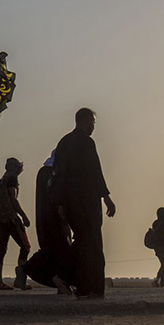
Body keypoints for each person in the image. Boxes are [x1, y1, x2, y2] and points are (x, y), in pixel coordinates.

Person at [50, 108, 117, 299]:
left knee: (82, 240)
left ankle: (73, 281)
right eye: (93, 121)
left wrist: (60, 203)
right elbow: (95, 171)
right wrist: (106, 197)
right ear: (86, 120)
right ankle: (90, 288)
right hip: (86, 199)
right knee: (93, 242)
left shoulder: (63, 143)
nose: (93, 126)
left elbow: (56, 174)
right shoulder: (86, 142)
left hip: (68, 202)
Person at [24, 150, 76, 294]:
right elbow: (59, 198)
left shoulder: (43, 172)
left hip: (43, 218)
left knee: (52, 250)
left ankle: (61, 283)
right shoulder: (56, 173)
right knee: (63, 250)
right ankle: (61, 279)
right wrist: (65, 219)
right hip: (56, 218)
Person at [0, 157, 32, 290]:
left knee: (1, 248)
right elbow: (13, 199)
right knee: (25, 246)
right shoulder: (12, 179)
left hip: (1, 218)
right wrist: (24, 216)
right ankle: (20, 279)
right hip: (12, 219)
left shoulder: (0, 181)